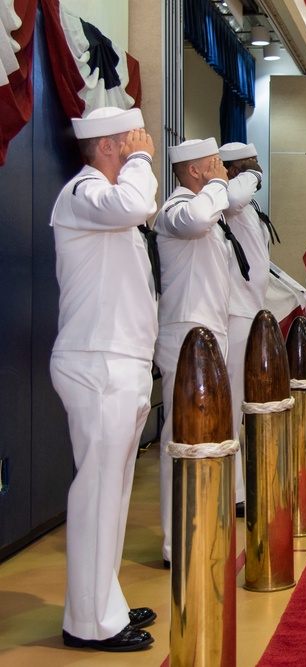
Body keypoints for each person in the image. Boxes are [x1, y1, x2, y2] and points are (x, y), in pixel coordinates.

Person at [50, 107, 158, 652]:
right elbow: (137, 202)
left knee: (113, 492)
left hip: (121, 360)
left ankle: (103, 601)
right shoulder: (84, 192)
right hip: (98, 361)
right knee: (97, 491)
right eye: (133, 141)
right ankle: (90, 620)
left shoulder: (109, 204)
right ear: (110, 146)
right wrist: (140, 160)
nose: (144, 146)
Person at [154, 138, 233, 565]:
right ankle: (177, 542)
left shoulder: (205, 208)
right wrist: (218, 186)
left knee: (208, 436)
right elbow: (198, 219)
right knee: (184, 436)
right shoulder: (176, 208)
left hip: (209, 331)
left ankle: (202, 527)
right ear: (197, 172)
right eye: (215, 165)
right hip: (185, 335)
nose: (222, 170)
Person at [219, 141, 269, 518]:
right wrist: (247, 175)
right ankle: (233, 491)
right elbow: (233, 199)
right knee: (233, 404)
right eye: (250, 165)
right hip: (235, 312)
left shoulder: (246, 204)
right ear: (232, 170)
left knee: (245, 403)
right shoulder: (228, 198)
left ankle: (241, 484)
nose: (258, 170)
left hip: (252, 308)